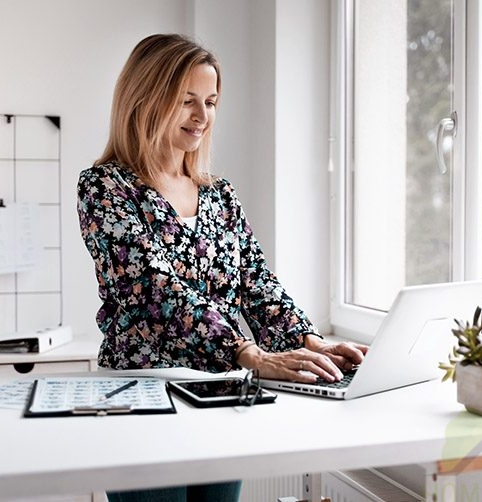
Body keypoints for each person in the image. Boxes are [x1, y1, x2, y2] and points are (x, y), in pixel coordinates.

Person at [77, 33, 368, 502]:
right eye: (186, 100)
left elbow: (255, 278)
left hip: (221, 393)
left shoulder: (219, 194)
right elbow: (152, 290)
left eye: (210, 102)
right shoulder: (105, 187)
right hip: (143, 396)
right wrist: (246, 351)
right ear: (145, 99)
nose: (202, 116)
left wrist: (308, 339)